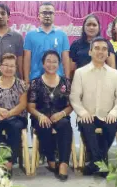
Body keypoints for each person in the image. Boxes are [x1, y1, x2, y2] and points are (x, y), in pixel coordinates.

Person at [70, 37, 117, 176]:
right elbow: (74, 97)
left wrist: (114, 113)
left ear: (108, 53)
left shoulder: (115, 74)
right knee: (87, 125)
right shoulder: (80, 73)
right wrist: (82, 112)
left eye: (104, 49)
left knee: (111, 125)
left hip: (108, 115)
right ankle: (100, 163)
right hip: (88, 115)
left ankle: (95, 163)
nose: (100, 52)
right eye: (96, 48)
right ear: (90, 52)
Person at [27, 50, 73, 181]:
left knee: (65, 124)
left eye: (54, 62)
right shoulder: (35, 83)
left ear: (59, 64)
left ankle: (63, 163)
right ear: (43, 64)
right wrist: (40, 116)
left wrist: (62, 113)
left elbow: (71, 105)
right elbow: (30, 107)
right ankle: (51, 159)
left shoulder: (65, 82)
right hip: (41, 117)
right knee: (44, 125)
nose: (51, 64)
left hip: (60, 116)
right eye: (48, 61)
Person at [0, 53, 28, 171]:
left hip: (16, 117)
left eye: (12, 66)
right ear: (0, 67)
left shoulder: (21, 84)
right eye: (6, 65)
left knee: (14, 127)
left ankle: (9, 162)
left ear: (15, 68)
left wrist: (8, 114)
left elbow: (23, 105)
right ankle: (1, 159)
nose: (9, 68)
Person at [24, 2, 70, 83]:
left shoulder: (62, 35)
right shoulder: (30, 35)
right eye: (44, 13)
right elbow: (27, 60)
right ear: (39, 15)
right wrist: (27, 80)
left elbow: (66, 60)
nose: (47, 15)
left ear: (54, 15)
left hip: (57, 80)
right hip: (35, 79)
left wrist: (67, 80)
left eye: (50, 13)